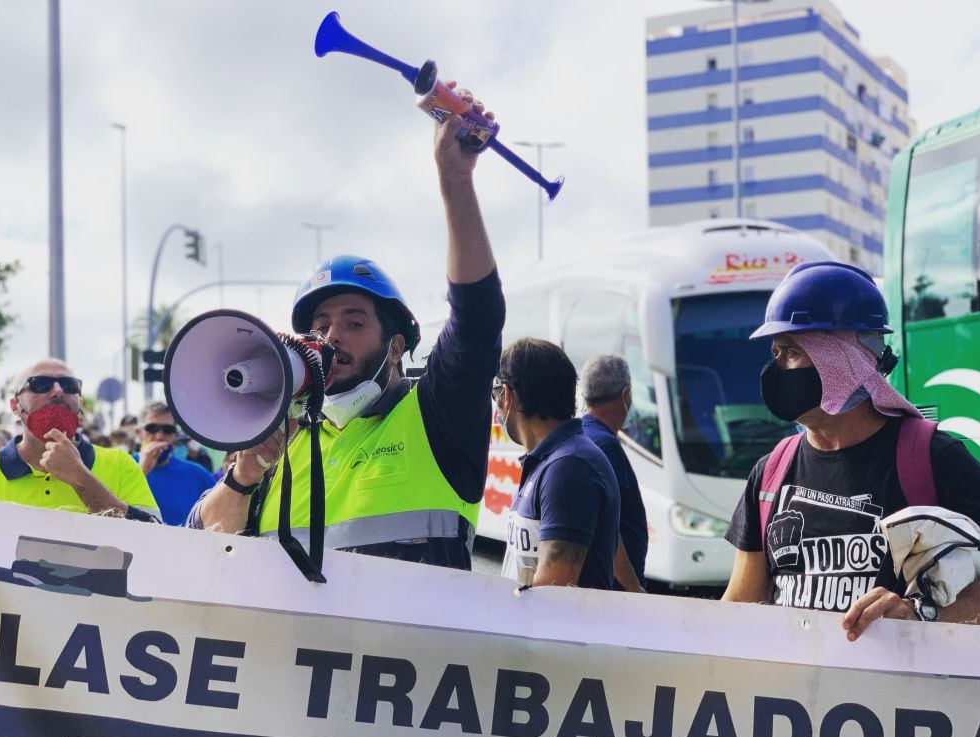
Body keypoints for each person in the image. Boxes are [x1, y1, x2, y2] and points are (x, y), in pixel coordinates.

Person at [190, 89, 504, 572]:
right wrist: (246, 473)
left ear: (396, 345)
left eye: (354, 322)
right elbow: (201, 549)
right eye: (321, 324)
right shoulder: (285, 440)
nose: (331, 336)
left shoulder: (436, 416)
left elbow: (477, 317)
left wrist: (455, 179)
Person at [721, 261, 980, 640]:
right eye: (774, 352)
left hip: (893, 698)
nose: (776, 368)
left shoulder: (935, 457)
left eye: (789, 351)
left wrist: (921, 617)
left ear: (841, 360)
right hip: (799, 698)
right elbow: (741, 604)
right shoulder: (770, 471)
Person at [0, 358, 160, 521]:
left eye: (70, 385)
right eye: (40, 384)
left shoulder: (120, 465)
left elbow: (154, 540)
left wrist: (80, 478)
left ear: (80, 403)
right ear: (15, 405)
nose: (58, 391)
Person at [496, 338, 619, 589]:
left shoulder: (570, 467)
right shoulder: (550, 462)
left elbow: (552, 592)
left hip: (555, 628)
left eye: (496, 392)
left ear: (507, 395)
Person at [579, 354, 647, 593]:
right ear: (626, 394)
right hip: (613, 590)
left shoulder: (581, 436)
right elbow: (609, 529)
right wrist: (633, 587)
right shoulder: (605, 446)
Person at [135, 401, 217, 526]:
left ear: (175, 435)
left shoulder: (197, 475)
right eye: (152, 429)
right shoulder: (122, 466)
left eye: (168, 430)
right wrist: (141, 472)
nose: (159, 436)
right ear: (139, 433)